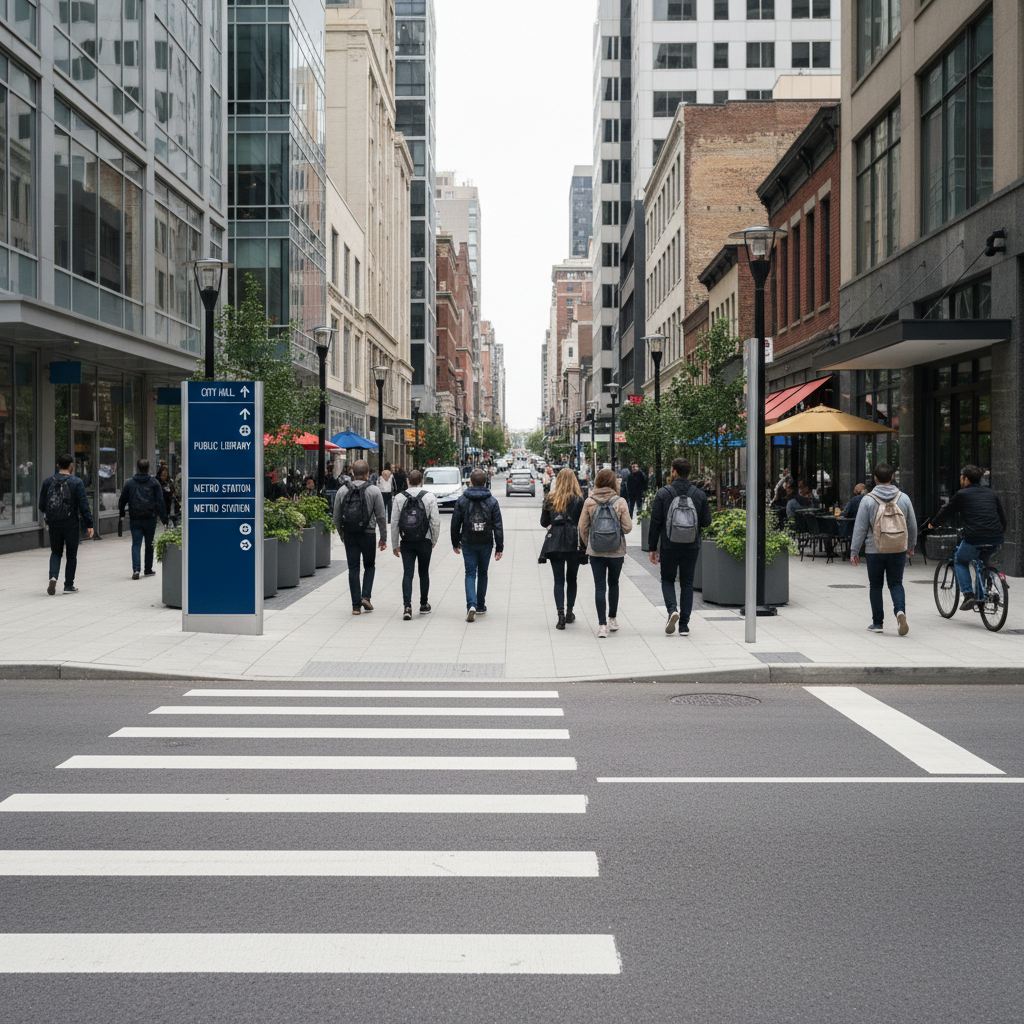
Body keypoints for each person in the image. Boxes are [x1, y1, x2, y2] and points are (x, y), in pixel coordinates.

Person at [648, 457, 712, 637]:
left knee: (667, 579)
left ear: (674, 471)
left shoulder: (663, 493)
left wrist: (653, 547)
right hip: (691, 545)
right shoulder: (699, 494)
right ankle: (684, 625)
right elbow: (707, 522)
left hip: (669, 544)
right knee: (687, 583)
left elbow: (655, 522)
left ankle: (671, 610)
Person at [850, 463, 917, 635]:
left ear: (875, 478)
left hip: (875, 549)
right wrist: (910, 546)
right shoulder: (904, 498)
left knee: (876, 585)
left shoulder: (867, 500)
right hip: (898, 548)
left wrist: (854, 551)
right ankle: (900, 612)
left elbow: (860, 528)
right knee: (896, 583)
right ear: (893, 477)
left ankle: (877, 623)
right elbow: (912, 525)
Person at [928, 464, 1007, 611]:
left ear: (965, 479)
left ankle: (969, 595)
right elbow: (1002, 518)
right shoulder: (991, 493)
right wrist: (1000, 533)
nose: (960, 480)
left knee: (960, 560)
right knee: (982, 562)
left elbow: (947, 511)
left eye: (961, 477)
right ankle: (982, 594)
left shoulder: (962, 494)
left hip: (974, 538)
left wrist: (933, 524)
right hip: (995, 537)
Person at [579, 467, 633, 639]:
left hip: (596, 551)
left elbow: (582, 527)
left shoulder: (589, 501)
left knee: (600, 586)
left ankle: (602, 626)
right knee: (614, 584)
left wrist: (590, 544)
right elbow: (628, 527)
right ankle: (612, 619)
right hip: (617, 551)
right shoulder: (620, 501)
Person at [333, 458, 387, 614]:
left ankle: (355, 606)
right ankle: (366, 597)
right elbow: (381, 516)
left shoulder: (342, 491)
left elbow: (336, 516)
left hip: (350, 534)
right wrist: (383, 537)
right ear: (368, 473)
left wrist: (342, 535)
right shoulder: (374, 490)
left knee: (353, 569)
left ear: (352, 473)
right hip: (368, 534)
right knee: (369, 566)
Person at [451, 467, 504, 622]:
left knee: (469, 573)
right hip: (486, 541)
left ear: (470, 482)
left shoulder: (462, 500)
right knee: (483, 572)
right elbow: (498, 526)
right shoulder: (492, 501)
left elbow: (455, 523)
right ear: (486, 482)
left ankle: (471, 605)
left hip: (468, 541)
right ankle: (480, 605)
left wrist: (455, 542)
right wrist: (499, 547)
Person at [39, 453, 94, 594]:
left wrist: (48, 518)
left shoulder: (47, 482)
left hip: (54, 523)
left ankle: (53, 577)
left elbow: (41, 505)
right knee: (71, 554)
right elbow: (84, 505)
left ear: (58, 465)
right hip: (71, 523)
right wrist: (89, 524)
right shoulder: (76, 482)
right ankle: (68, 585)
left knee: (56, 552)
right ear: (71, 466)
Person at [539, 468, 586, 630]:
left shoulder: (550, 498)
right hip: (573, 541)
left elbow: (544, 521)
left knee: (558, 579)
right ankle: (570, 612)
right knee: (572, 578)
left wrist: (553, 525)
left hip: (555, 541)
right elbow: (583, 521)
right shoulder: (579, 499)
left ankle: (560, 615)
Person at [391, 468, 441, 619]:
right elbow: (435, 521)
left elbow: (394, 522)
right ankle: (424, 604)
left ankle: (407, 606)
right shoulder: (429, 497)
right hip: (424, 540)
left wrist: (395, 544)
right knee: (424, 572)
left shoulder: (399, 498)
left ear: (408, 481)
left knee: (408, 573)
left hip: (406, 541)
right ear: (421, 482)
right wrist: (434, 539)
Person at [117, 459, 168, 581]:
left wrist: (122, 513)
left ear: (137, 468)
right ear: (148, 468)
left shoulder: (130, 483)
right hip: (150, 517)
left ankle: (136, 569)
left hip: (135, 518)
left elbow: (122, 500)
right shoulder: (154, 483)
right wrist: (164, 519)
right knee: (149, 544)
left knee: (136, 544)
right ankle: (148, 569)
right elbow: (160, 502)